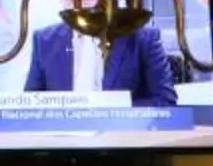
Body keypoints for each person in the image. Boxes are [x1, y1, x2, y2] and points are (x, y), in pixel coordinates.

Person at [23, 15, 179, 106]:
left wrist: (110, 111)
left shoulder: (143, 38)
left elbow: (166, 101)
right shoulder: (43, 40)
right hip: (60, 151)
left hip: (126, 147)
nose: (82, 6)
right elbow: (30, 105)